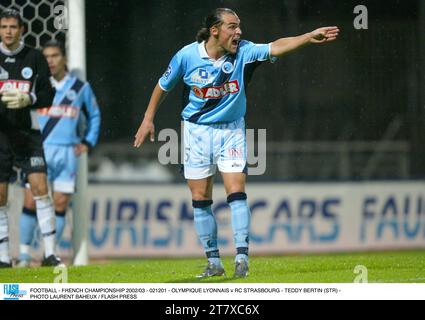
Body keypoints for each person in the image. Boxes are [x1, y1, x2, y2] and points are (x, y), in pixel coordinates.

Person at [134, 8, 339, 278]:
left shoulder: (244, 51)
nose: (238, 31)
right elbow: (163, 86)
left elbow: (275, 47)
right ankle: (214, 263)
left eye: (239, 26)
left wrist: (307, 36)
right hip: (195, 132)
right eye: (232, 27)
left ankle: (242, 258)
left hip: (231, 130)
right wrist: (148, 119)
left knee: (236, 190)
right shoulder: (186, 56)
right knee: (200, 198)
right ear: (214, 31)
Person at [17, 40, 101, 267]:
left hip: (66, 152)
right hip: (38, 148)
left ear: (64, 58)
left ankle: (48, 254)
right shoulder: (36, 85)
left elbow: (94, 115)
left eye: (55, 56)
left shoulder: (79, 88)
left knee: (61, 203)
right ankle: (24, 255)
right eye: (46, 57)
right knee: (31, 201)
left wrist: (88, 141)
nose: (50, 61)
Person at [0, 9, 61, 267]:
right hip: (1, 135)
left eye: (13, 27)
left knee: (40, 187)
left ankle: (49, 254)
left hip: (29, 134)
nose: (8, 31)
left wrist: (30, 99)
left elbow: (49, 93)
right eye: (3, 27)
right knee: (0, 196)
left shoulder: (34, 57)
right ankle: (3, 258)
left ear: (22, 29)